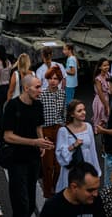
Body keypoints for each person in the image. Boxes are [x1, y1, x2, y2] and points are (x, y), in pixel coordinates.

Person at [3, 75, 54, 217]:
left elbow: (38, 127)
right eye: (37, 87)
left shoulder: (38, 105)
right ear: (26, 88)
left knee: (31, 199)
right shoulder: (12, 106)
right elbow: (7, 136)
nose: (41, 90)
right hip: (16, 159)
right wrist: (34, 142)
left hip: (33, 159)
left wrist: (42, 143)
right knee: (20, 202)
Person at [55, 100, 101, 193]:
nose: (83, 112)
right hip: (72, 169)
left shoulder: (88, 127)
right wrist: (73, 146)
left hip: (87, 167)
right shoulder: (63, 131)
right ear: (72, 114)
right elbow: (60, 155)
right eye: (79, 111)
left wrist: (96, 171)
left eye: (84, 109)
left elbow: (93, 150)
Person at [40, 162, 104, 217]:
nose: (95, 194)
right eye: (90, 190)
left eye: (96, 189)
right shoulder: (52, 208)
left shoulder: (96, 200)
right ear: (74, 187)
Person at [39, 66, 66, 198]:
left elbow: (63, 113)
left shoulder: (62, 93)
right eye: (50, 78)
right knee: (48, 164)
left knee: (59, 164)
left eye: (55, 78)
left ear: (60, 80)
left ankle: (55, 188)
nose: (53, 81)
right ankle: (47, 191)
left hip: (59, 130)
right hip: (46, 130)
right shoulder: (42, 94)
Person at [92, 58, 110, 129]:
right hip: (100, 100)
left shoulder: (108, 74)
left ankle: (103, 133)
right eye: (104, 65)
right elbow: (100, 93)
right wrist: (106, 105)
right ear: (100, 67)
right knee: (100, 117)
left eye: (108, 65)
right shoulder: (98, 79)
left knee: (105, 117)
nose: (107, 67)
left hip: (106, 98)